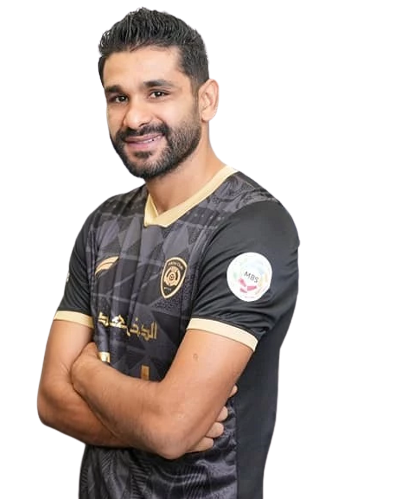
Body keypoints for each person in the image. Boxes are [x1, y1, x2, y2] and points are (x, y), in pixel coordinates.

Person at [36, 7, 300, 499]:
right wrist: (156, 428)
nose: (135, 117)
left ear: (207, 99)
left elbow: (172, 426)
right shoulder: (103, 222)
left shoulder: (252, 227)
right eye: (119, 97)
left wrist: (86, 371)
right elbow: (51, 401)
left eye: (158, 92)